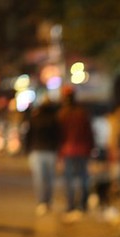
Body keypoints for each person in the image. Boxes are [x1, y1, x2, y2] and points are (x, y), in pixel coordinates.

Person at [57, 86, 95, 220]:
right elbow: (89, 132)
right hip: (82, 150)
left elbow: (59, 135)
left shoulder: (62, 114)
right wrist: (91, 147)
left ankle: (71, 206)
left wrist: (59, 152)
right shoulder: (82, 113)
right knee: (83, 178)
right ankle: (83, 205)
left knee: (69, 180)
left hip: (68, 151)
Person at [25, 95, 60, 216]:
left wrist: (27, 150)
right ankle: (48, 202)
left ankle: (41, 202)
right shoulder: (54, 118)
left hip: (37, 151)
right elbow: (58, 136)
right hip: (50, 151)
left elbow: (28, 136)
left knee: (39, 179)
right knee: (49, 179)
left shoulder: (34, 118)